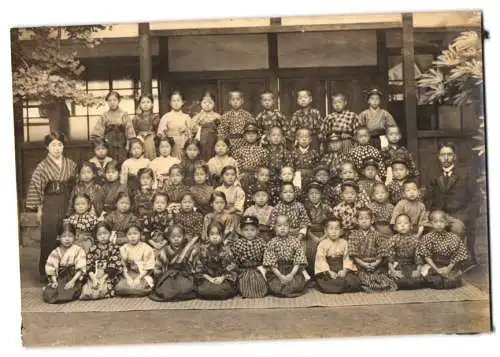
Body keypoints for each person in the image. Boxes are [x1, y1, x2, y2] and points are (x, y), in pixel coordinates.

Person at [27, 132, 77, 276]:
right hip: (50, 203)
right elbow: (37, 187)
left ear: (63, 147)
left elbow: (75, 185)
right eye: (53, 145)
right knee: (50, 235)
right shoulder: (42, 167)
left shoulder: (71, 164)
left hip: (67, 201)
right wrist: (39, 209)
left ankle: (67, 270)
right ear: (47, 147)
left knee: (68, 232)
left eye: (60, 145)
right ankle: (48, 272)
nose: (57, 148)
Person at [424, 143, 479, 263]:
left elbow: (475, 197)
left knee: (457, 229)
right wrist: (431, 213)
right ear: (439, 157)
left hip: (459, 214)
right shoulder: (434, 174)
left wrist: (464, 216)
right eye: (443, 154)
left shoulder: (466, 172)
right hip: (439, 214)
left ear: (454, 156)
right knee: (427, 229)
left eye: (449, 154)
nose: (446, 157)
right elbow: (429, 196)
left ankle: (455, 263)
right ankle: (436, 262)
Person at [417, 210, 473, 289]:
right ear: (431, 224)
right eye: (435, 222)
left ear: (446, 223)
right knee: (434, 281)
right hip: (434, 265)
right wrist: (436, 269)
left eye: (442, 221)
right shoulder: (427, 237)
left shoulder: (453, 237)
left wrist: (448, 268)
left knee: (450, 282)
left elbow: (458, 254)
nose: (439, 224)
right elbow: (426, 255)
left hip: (448, 265)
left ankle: (447, 279)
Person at [348, 208, 398, 292]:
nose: (364, 221)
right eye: (361, 219)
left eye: (367, 218)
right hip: (360, 264)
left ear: (372, 220)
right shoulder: (353, 235)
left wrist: (375, 263)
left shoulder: (376, 234)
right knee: (362, 279)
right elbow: (353, 253)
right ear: (356, 221)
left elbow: (382, 250)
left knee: (383, 279)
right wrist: (364, 264)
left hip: (375, 264)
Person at [149, 224, 199, 302]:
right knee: (165, 289)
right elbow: (158, 268)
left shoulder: (188, 250)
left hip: (184, 276)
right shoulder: (164, 251)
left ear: (184, 237)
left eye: (179, 237)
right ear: (168, 238)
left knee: (186, 287)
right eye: (173, 237)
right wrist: (159, 279)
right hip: (168, 277)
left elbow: (194, 267)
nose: (176, 239)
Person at [263, 215, 309, 298]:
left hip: (292, 269)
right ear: (275, 228)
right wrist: (280, 276)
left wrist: (291, 275)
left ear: (290, 227)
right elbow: (270, 263)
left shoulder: (295, 241)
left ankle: (290, 287)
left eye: (285, 225)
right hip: (278, 270)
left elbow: (298, 260)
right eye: (279, 225)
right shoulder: (271, 243)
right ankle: (282, 288)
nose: (282, 228)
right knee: (275, 286)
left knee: (297, 284)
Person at [42, 221, 86, 304]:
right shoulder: (56, 252)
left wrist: (72, 281)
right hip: (61, 278)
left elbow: (81, 267)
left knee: (69, 291)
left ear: (75, 237)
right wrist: (54, 281)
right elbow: (51, 267)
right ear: (58, 237)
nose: (67, 239)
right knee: (49, 294)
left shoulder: (79, 250)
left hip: (73, 277)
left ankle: (65, 293)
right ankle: (54, 290)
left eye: (70, 236)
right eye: (64, 236)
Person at [314, 218, 361, 294]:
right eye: (331, 229)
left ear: (341, 231)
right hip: (329, 269)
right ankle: (341, 286)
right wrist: (329, 272)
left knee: (354, 281)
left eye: (337, 229)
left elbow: (347, 258)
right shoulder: (322, 244)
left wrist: (344, 271)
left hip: (341, 267)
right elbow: (321, 259)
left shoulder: (344, 242)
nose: (334, 231)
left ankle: (340, 286)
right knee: (326, 282)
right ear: (325, 231)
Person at [194, 222, 238, 300]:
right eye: (212, 234)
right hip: (208, 278)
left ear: (222, 236)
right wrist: (210, 279)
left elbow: (231, 267)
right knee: (202, 290)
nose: (215, 237)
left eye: (217, 234)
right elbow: (199, 267)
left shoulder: (226, 249)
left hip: (222, 278)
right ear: (208, 235)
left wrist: (222, 278)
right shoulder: (203, 249)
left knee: (225, 289)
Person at [80, 222, 123, 300]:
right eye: (99, 234)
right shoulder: (92, 249)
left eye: (105, 233)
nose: (103, 236)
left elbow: (115, 265)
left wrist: (103, 278)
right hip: (94, 276)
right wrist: (94, 279)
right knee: (88, 290)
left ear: (110, 234)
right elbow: (89, 265)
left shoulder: (114, 248)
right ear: (96, 236)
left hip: (108, 276)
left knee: (107, 289)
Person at [90, 91, 136, 164]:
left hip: (122, 144)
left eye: (114, 100)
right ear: (107, 102)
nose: (112, 102)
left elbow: (130, 131)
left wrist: (128, 145)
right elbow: (97, 133)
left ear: (119, 101)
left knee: (122, 163)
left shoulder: (124, 114)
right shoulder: (104, 115)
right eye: (109, 100)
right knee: (110, 164)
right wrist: (102, 145)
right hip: (108, 144)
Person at [229, 215, 268, 298]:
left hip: (257, 268)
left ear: (257, 231)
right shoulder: (238, 243)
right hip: (243, 269)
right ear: (241, 231)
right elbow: (235, 259)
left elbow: (265, 256)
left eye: (252, 230)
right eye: (246, 230)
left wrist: (262, 266)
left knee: (259, 283)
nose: (249, 232)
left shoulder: (261, 242)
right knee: (243, 282)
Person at [385, 214, 425, 290]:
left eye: (406, 223)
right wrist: (393, 271)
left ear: (411, 226)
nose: (403, 225)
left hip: (411, 265)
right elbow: (390, 259)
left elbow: (418, 258)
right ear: (395, 227)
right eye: (399, 223)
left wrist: (418, 270)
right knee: (397, 280)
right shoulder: (393, 240)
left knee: (418, 281)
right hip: (398, 265)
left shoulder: (416, 240)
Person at [115, 223, 156, 297]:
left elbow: (149, 267)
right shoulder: (124, 248)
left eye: (135, 233)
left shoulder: (146, 248)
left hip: (142, 275)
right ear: (126, 236)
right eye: (129, 234)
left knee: (141, 287)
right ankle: (133, 291)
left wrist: (138, 278)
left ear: (140, 234)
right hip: (128, 275)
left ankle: (133, 291)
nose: (132, 236)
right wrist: (128, 278)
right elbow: (122, 266)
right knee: (119, 288)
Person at [304, 181, 334, 275]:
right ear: (308, 195)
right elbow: (304, 225)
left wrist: (324, 236)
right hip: (310, 234)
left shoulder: (326, 208)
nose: (314, 196)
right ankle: (312, 274)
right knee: (311, 250)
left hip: (324, 233)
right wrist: (313, 237)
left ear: (321, 195)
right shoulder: (305, 207)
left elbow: (330, 224)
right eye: (311, 193)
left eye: (317, 193)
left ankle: (324, 273)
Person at [157, 91, 194, 159]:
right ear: (170, 103)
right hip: (170, 145)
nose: (176, 103)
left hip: (183, 144)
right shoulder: (166, 117)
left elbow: (190, 135)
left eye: (178, 100)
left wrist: (186, 130)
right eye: (173, 101)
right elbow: (161, 134)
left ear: (183, 102)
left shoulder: (187, 117)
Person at [232, 123, 269, 189]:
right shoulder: (240, 151)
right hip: (244, 177)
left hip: (258, 176)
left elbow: (265, 165)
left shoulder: (262, 151)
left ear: (258, 136)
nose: (251, 136)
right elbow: (237, 166)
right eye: (248, 134)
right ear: (245, 136)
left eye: (253, 134)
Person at [191, 92, 221, 161]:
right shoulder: (197, 117)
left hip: (213, 142)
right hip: (200, 142)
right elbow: (192, 130)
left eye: (210, 103)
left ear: (214, 104)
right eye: (205, 102)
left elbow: (221, 131)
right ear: (201, 103)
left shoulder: (218, 117)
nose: (207, 105)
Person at [132, 94, 160, 160]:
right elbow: (133, 132)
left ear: (152, 104)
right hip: (139, 141)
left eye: (148, 102)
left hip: (152, 141)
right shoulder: (135, 118)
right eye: (143, 102)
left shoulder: (155, 117)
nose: (146, 104)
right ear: (140, 104)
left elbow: (158, 132)